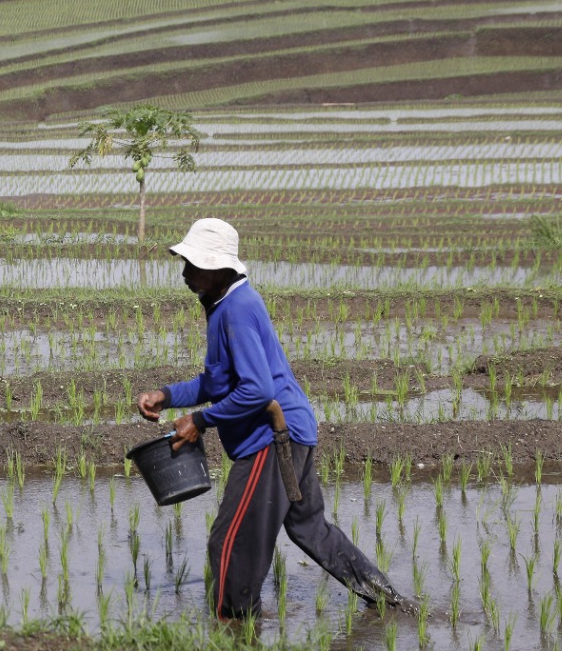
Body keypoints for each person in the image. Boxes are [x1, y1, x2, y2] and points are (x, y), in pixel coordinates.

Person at [137, 218, 400, 619]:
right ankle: (390, 601)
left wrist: (201, 422)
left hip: (273, 437)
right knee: (310, 528)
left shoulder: (237, 310)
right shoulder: (223, 306)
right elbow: (218, 380)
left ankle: (235, 629)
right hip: (293, 431)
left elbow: (258, 391)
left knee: (228, 543)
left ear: (218, 268)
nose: (185, 273)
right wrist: (168, 395)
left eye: (193, 264)